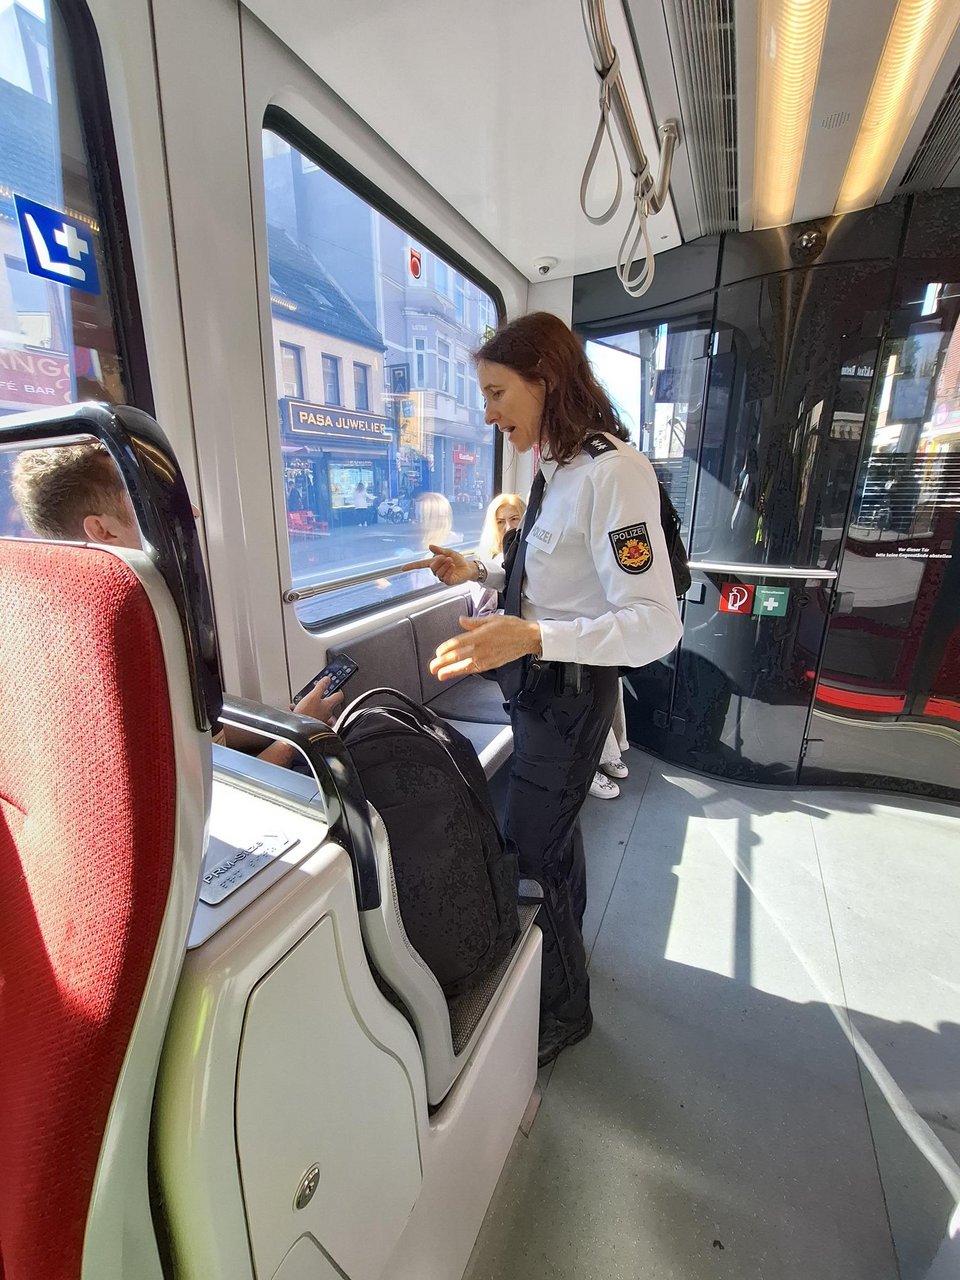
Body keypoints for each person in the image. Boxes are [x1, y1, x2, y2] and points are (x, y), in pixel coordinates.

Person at [407, 312, 682, 1065]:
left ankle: (564, 1011)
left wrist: (532, 637)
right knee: (552, 843)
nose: (489, 413)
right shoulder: (552, 468)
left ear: (546, 379)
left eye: (498, 393)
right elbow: (550, 579)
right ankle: (567, 946)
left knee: (533, 847)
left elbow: (656, 624)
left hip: (570, 691)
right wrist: (482, 572)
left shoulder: (614, 473)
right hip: (535, 684)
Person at [11, 443, 344, 764]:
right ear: (102, 529)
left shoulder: (48, 611)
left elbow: (195, 735)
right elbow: (211, 798)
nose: (193, 512)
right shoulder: (122, 636)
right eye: (159, 500)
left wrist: (286, 721)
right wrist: (297, 739)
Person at [470, 492, 526, 617]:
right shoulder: (489, 565)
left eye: (514, 519)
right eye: (500, 522)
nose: (508, 528)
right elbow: (482, 616)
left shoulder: (531, 559)